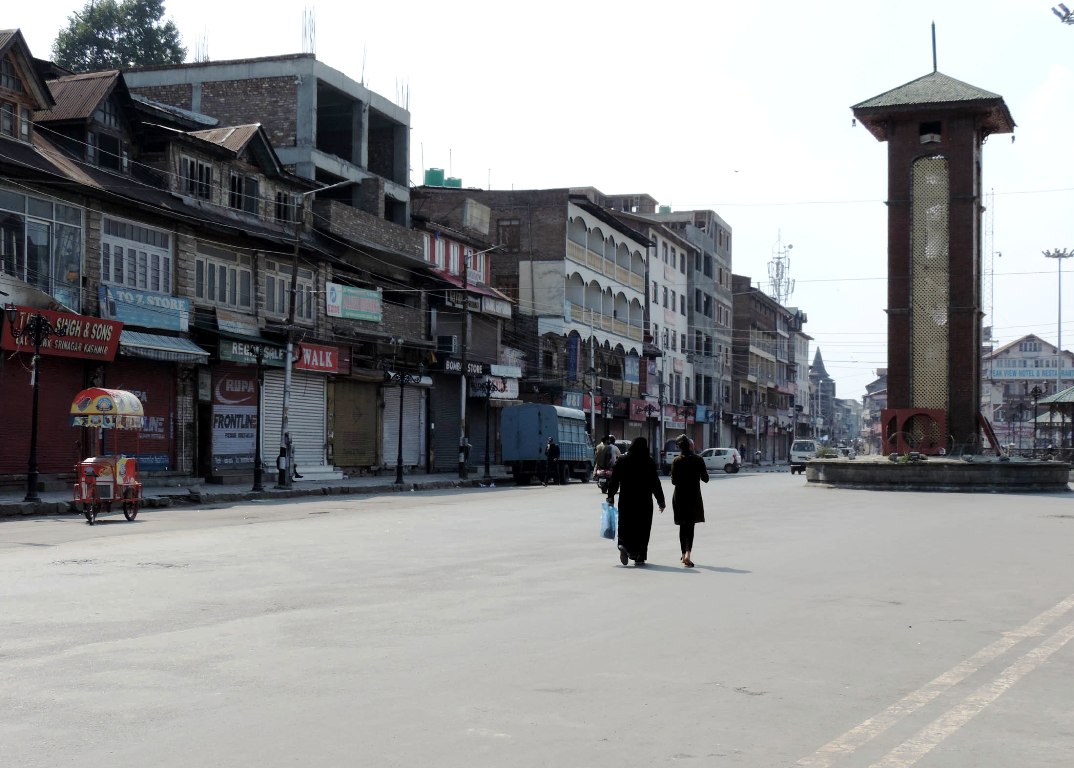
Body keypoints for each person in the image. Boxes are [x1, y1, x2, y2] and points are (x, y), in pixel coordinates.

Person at [606, 436, 665, 566]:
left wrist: (610, 497)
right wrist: (661, 501)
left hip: (626, 500)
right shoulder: (649, 462)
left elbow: (614, 481)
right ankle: (639, 555)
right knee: (642, 528)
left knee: (626, 524)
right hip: (644, 502)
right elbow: (655, 483)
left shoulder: (622, 460)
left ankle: (623, 545)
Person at [671, 434, 708, 567]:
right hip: (693, 497)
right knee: (690, 526)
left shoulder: (676, 461)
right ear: (691, 446)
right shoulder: (698, 460)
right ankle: (688, 553)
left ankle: (682, 555)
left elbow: (674, 481)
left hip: (679, 497)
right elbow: (706, 479)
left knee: (682, 526)